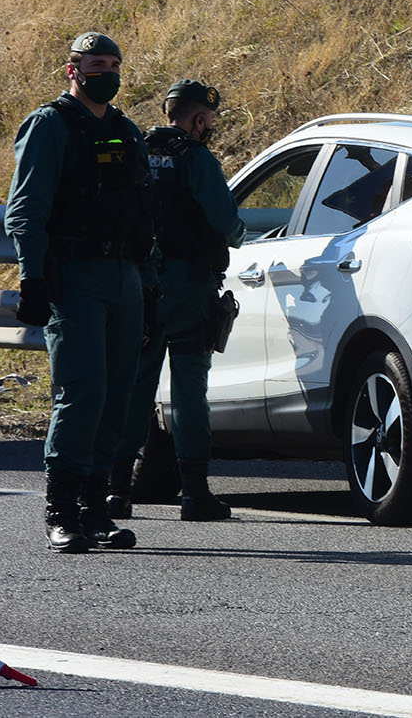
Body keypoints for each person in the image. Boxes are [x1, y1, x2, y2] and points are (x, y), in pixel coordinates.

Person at [5, 32, 154, 553]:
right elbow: (25, 208)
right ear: (73, 70)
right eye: (97, 64)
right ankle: (62, 510)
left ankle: (97, 510)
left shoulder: (125, 130)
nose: (107, 72)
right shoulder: (51, 125)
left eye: (114, 63)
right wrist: (32, 276)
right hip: (75, 276)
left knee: (118, 395)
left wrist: (148, 285)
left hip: (125, 278)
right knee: (82, 392)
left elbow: (144, 211)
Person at [108, 79, 246, 522]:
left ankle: (116, 492)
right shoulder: (197, 158)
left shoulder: (135, 150)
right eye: (210, 122)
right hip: (189, 288)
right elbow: (226, 221)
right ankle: (194, 493)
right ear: (199, 119)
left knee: (135, 387)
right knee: (189, 389)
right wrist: (239, 235)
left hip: (142, 286)